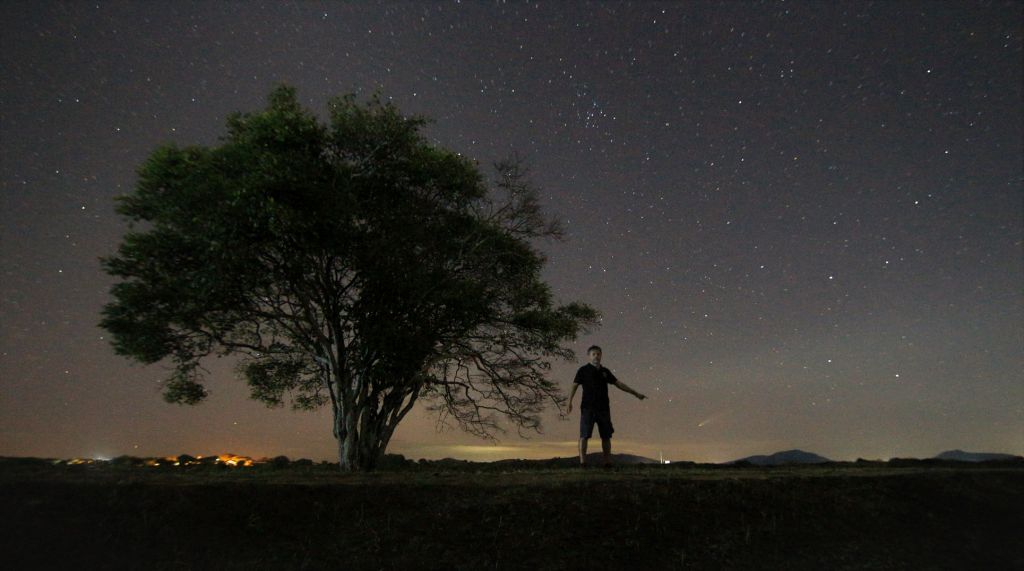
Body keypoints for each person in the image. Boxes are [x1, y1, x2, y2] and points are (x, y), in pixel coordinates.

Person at [566, 345, 646, 467]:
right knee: (584, 435)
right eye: (594, 354)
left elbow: (619, 384)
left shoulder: (605, 372)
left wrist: (635, 393)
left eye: (598, 354)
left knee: (606, 435)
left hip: (603, 408)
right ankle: (583, 463)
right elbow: (574, 386)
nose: (596, 356)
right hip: (588, 408)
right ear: (589, 356)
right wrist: (569, 402)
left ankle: (607, 463)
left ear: (601, 355)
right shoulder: (583, 370)